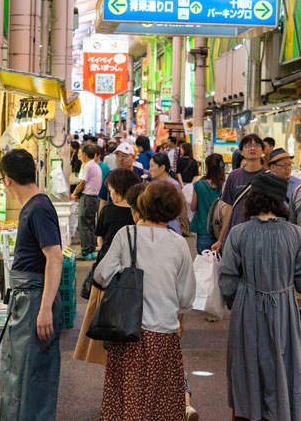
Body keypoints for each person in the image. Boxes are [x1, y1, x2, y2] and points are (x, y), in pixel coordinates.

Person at [94, 181, 196, 421]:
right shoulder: (179, 244)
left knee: (128, 398)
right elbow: (186, 295)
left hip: (127, 328)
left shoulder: (126, 234)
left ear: (143, 205)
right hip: (164, 332)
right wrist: (178, 317)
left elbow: (101, 274)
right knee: (161, 401)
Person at [218, 172, 301, 421]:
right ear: (280, 201)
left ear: (253, 198)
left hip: (246, 308)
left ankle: (249, 412)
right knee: (283, 365)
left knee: (247, 363)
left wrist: (235, 302)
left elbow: (227, 279)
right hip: (284, 308)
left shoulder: (239, 233)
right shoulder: (296, 235)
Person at [0, 149, 63, 421]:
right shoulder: (36, 206)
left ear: (8, 180)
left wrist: (45, 308)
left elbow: (55, 257)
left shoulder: (38, 209)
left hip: (34, 301)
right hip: (28, 299)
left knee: (29, 376)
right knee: (22, 373)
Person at [73, 169, 140, 366]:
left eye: (111, 190)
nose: (110, 194)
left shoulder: (108, 211)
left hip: (108, 273)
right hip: (132, 274)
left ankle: (106, 352)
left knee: (104, 315)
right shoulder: (139, 214)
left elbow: (100, 237)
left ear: (119, 190)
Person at [211, 134, 267, 253]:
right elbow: (229, 208)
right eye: (248, 145)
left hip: (261, 237)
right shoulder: (233, 176)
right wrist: (221, 239)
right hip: (235, 236)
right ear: (241, 152)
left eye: (256, 145)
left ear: (262, 150)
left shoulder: (269, 177)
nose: (252, 148)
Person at [191, 153, 226, 253]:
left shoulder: (199, 185)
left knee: (205, 264)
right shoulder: (225, 186)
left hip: (203, 230)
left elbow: (193, 207)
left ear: (206, 167)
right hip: (220, 232)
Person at [72, 144, 102, 259]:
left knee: (83, 224)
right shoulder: (96, 166)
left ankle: (85, 252)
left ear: (85, 154)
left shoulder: (88, 166)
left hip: (88, 198)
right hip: (94, 198)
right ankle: (91, 251)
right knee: (90, 225)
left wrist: (74, 193)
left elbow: (82, 183)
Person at [98, 143, 147, 213]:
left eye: (125, 156)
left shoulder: (143, 174)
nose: (120, 159)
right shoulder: (110, 175)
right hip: (114, 214)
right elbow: (103, 199)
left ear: (133, 157)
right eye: (117, 155)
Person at [150, 153, 182, 235]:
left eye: (152, 166)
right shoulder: (154, 184)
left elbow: (177, 209)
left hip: (170, 226)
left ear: (162, 168)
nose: (149, 169)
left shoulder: (173, 185)